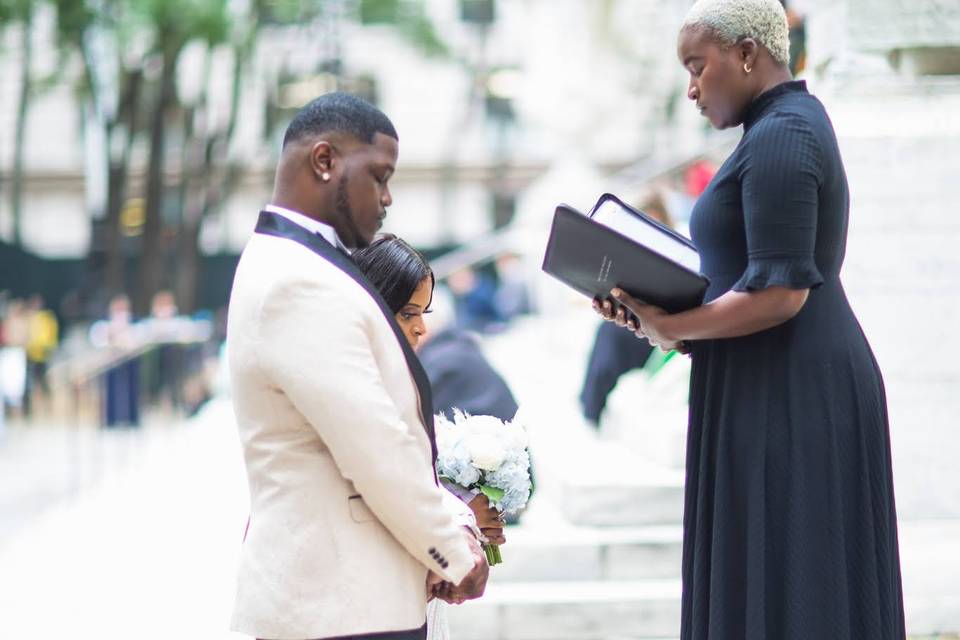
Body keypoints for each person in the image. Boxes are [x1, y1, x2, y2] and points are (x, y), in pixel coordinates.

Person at [594, 1, 905, 638]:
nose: (690, 89)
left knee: (796, 585)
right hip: (769, 378)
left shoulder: (784, 136)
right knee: (769, 580)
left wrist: (674, 327)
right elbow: (750, 280)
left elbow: (781, 293)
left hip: (794, 389)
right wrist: (653, 313)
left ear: (745, 55)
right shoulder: (771, 132)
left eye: (696, 67)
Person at [226, 92, 488, 640]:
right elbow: (375, 446)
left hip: (341, 599)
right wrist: (454, 554)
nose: (388, 197)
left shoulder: (298, 264)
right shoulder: (297, 281)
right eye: (379, 175)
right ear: (324, 161)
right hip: (337, 609)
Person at [354, 234, 507, 640]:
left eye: (424, 312)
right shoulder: (354, 384)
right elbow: (384, 485)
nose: (422, 327)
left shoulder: (402, 377)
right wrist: (464, 518)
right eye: (407, 313)